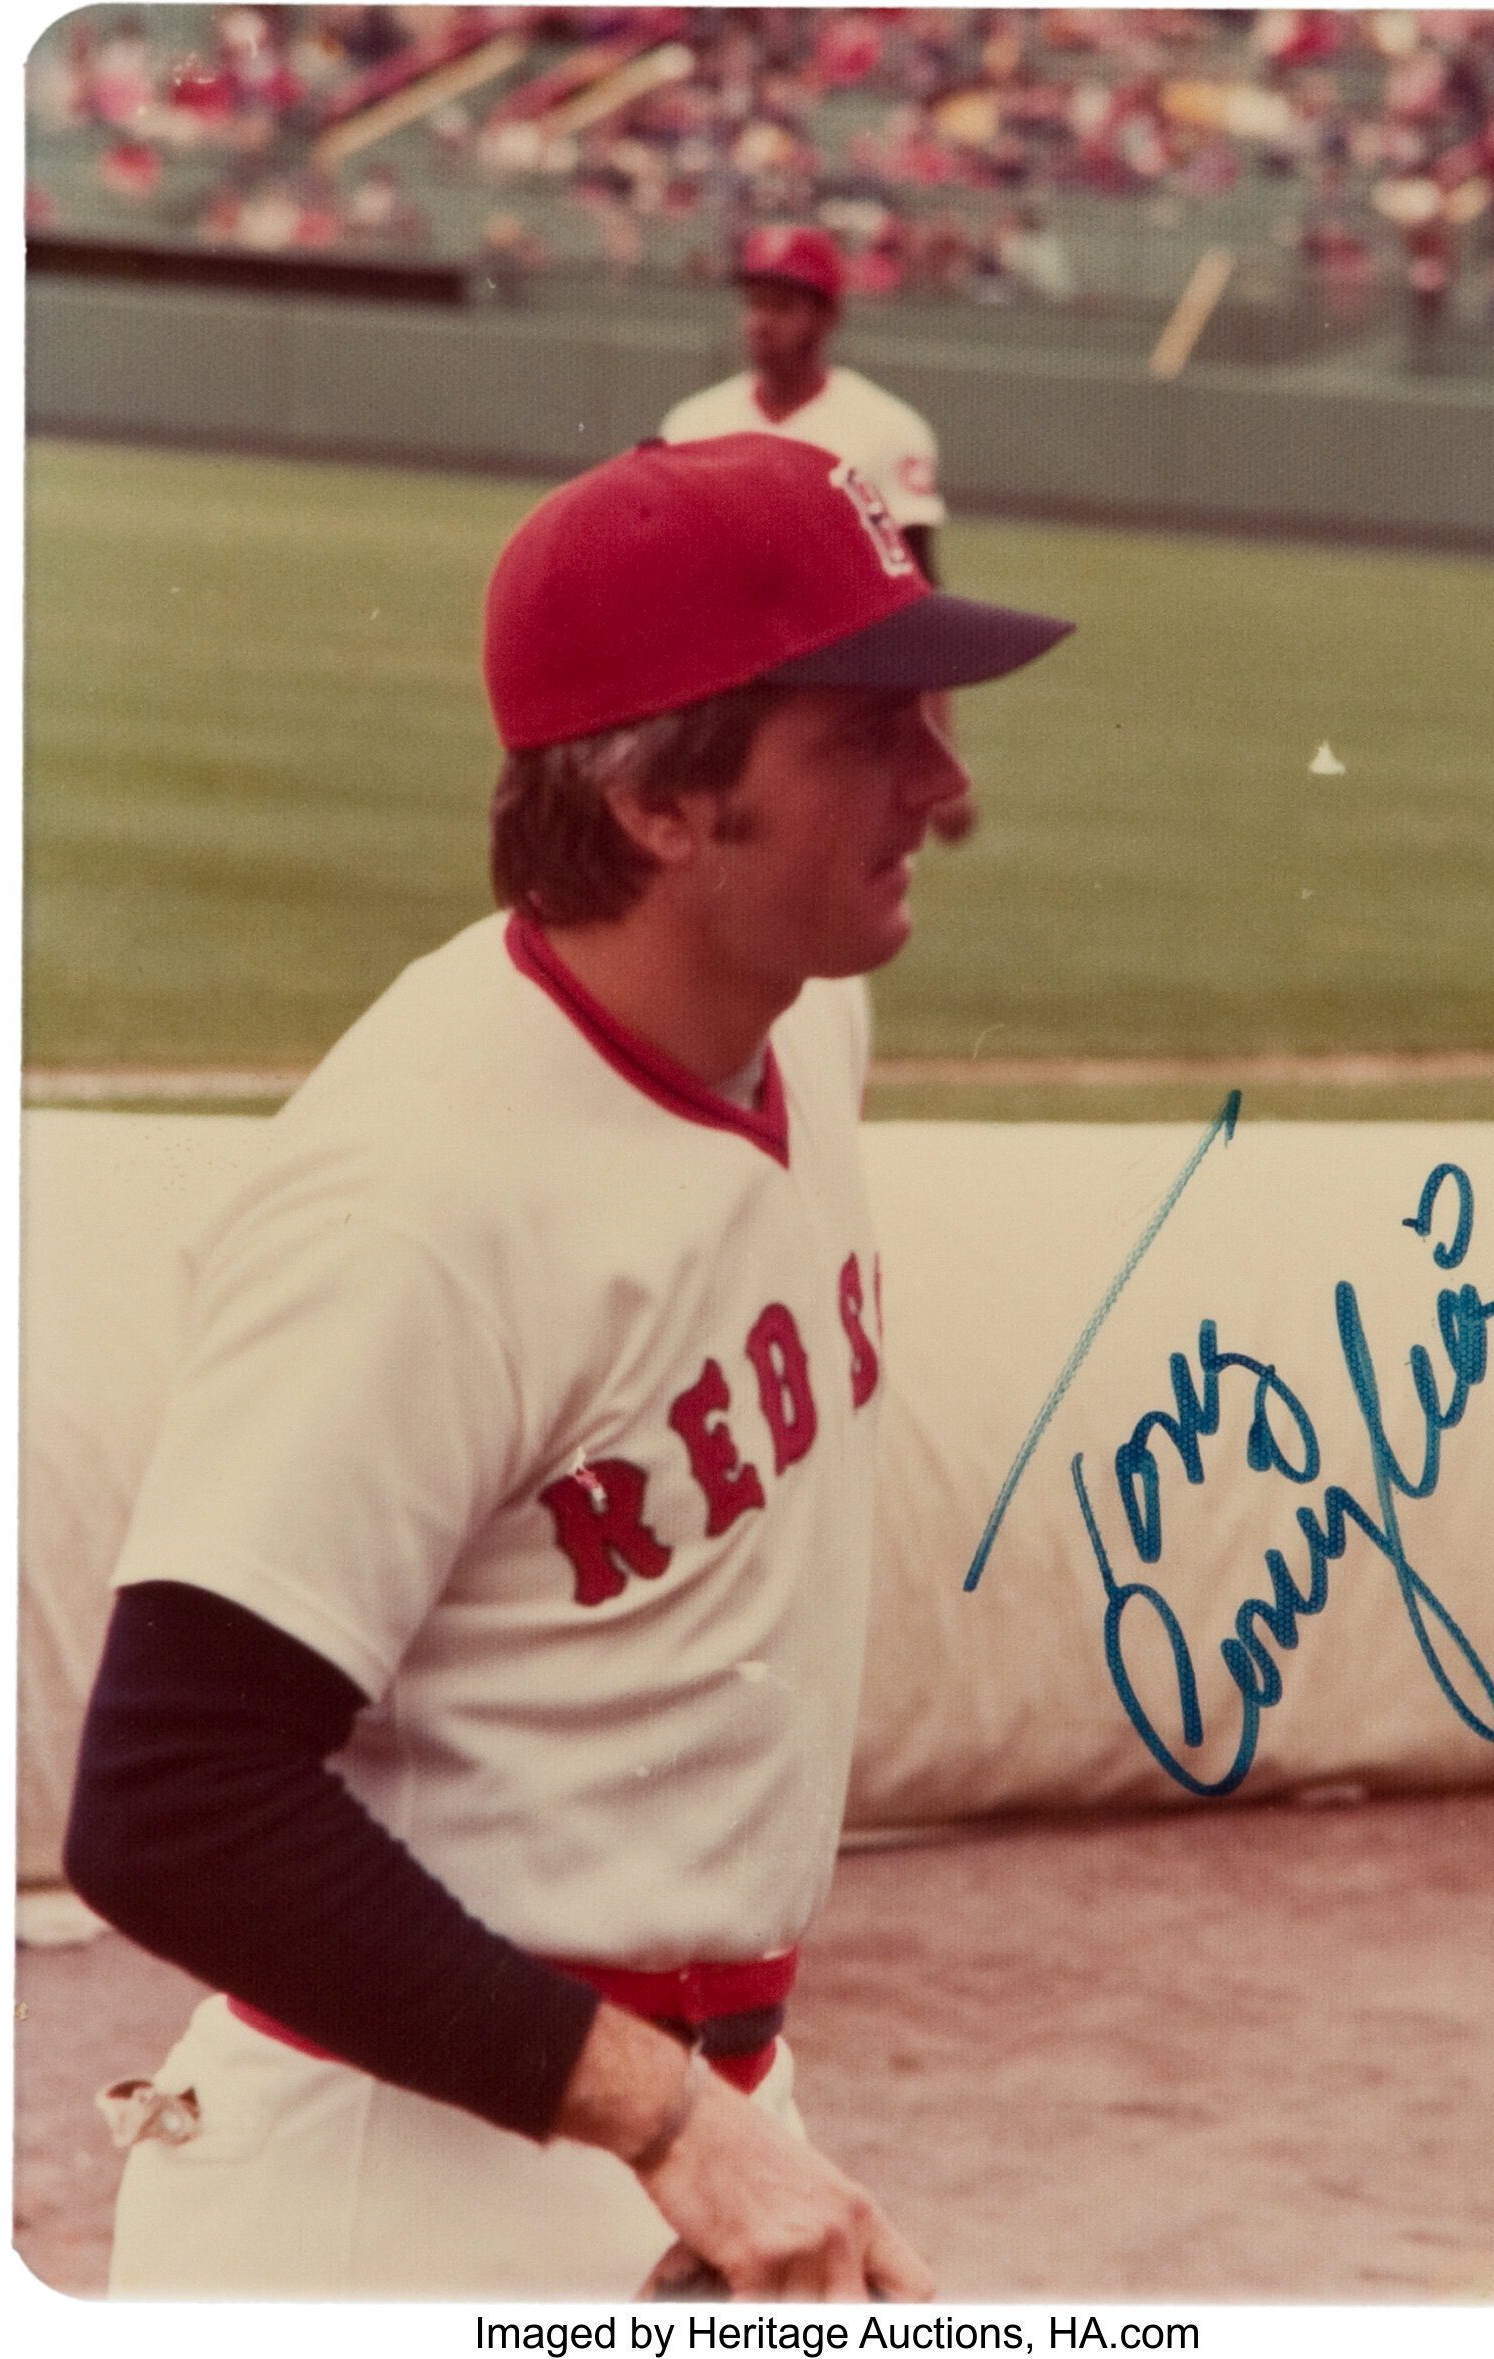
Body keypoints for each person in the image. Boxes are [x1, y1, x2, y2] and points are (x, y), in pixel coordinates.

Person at [65, 434, 1071, 2302]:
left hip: (686, 2121)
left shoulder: (802, 1017)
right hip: (394, 2182)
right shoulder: (415, 1203)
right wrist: (669, 2118)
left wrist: (710, 2123)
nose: (943, 783)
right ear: (665, 807)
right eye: (865, 729)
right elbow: (170, 1796)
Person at [663, 224, 968, 841]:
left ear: (826, 316)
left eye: (781, 305)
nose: (759, 321)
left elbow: (919, 603)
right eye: (753, 302)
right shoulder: (693, 423)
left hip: (834, 702)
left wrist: (937, 749)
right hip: (714, 702)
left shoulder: (886, 428)